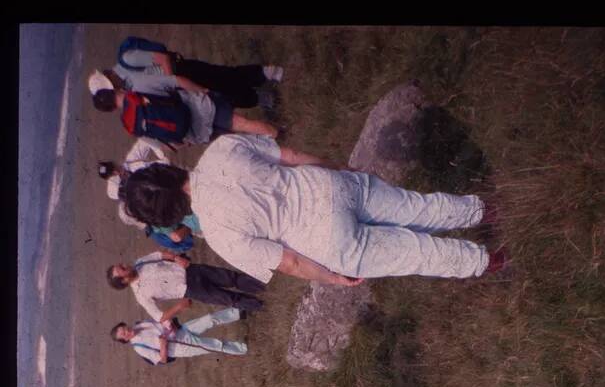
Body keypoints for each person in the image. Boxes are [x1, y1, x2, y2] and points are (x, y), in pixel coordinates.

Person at [121, 135, 508, 288]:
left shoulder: (219, 234)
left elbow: (287, 261)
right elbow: (289, 156)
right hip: (326, 186)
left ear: (168, 216)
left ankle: (487, 260)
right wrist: (338, 167)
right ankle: (481, 211)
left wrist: (333, 278)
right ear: (165, 169)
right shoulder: (221, 148)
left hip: (325, 239)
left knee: (414, 253)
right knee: (417, 206)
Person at [88, 40, 283, 109]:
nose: (116, 91)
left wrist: (173, 81)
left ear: (109, 76)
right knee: (222, 99)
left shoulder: (129, 59)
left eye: (112, 88)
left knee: (224, 76)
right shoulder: (126, 85)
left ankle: (266, 73)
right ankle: (259, 98)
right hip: (180, 85)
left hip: (183, 71)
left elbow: (162, 58)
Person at [106, 250, 265, 324]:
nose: (125, 265)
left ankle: (262, 287)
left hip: (191, 270)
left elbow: (159, 255)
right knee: (229, 298)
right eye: (123, 269)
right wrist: (179, 307)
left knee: (230, 277)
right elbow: (160, 317)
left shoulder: (140, 262)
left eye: (122, 264)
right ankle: (261, 305)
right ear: (124, 281)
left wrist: (176, 258)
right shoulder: (141, 295)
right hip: (190, 290)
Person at [92, 85, 277, 145]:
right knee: (243, 124)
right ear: (113, 89)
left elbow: (163, 141)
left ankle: (271, 149)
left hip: (193, 133)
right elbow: (171, 87)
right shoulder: (137, 91)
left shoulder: (129, 126)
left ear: (110, 109)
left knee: (236, 141)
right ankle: (277, 134)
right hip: (199, 108)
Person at [98, 155, 201, 251]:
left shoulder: (132, 164)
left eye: (113, 168)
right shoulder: (114, 191)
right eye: (112, 173)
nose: (116, 172)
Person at [110, 308, 248, 365]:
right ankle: (243, 349)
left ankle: (238, 312)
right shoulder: (139, 347)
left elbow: (161, 320)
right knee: (215, 345)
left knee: (209, 319)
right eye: (124, 334)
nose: (127, 331)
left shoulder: (139, 324)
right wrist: (163, 345)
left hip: (181, 330)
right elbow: (162, 360)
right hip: (179, 345)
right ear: (125, 340)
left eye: (124, 328)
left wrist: (169, 323)